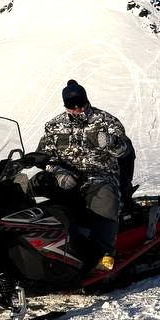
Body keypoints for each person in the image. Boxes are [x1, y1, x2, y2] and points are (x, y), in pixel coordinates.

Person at [21, 79, 130, 271]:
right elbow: (44, 157)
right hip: (66, 177)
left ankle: (103, 252)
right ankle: (24, 240)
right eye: (72, 105)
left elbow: (124, 150)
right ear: (66, 106)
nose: (78, 108)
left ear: (86, 99)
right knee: (32, 185)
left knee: (105, 199)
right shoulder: (54, 126)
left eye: (81, 102)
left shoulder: (106, 121)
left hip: (99, 176)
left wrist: (111, 142)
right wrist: (58, 172)